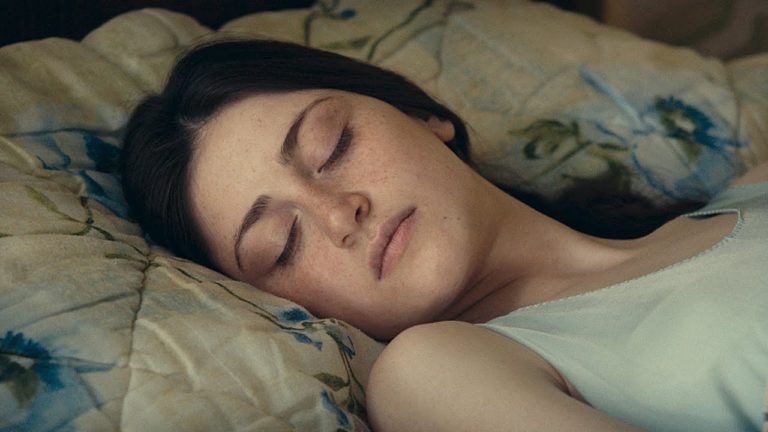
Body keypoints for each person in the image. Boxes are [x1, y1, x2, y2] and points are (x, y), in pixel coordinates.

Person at [120, 39, 768, 431]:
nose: (339, 213)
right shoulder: (434, 375)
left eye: (332, 145)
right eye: (283, 244)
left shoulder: (750, 189)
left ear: (422, 115)